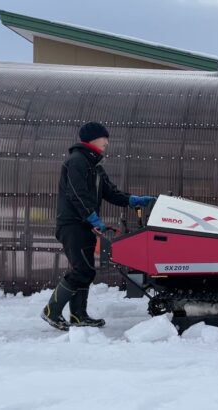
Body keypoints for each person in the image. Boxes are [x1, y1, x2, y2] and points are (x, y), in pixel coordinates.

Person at [41, 122, 155, 330]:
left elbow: (111, 193)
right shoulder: (76, 162)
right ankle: (52, 311)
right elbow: (77, 195)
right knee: (82, 270)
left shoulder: (95, 167)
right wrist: (93, 218)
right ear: (92, 138)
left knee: (86, 270)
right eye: (104, 138)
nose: (107, 142)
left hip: (84, 225)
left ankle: (78, 316)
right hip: (72, 225)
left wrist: (134, 200)